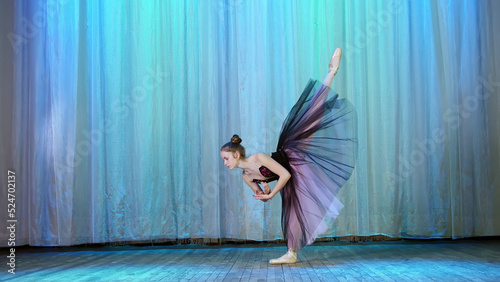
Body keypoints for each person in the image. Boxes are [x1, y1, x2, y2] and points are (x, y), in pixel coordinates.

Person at [220, 48, 357, 264]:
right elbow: (262, 193)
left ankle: (331, 71)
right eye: (224, 160)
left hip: (294, 154)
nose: (225, 163)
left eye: (226, 158)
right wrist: (264, 193)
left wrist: (272, 193)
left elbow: (283, 175)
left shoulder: (257, 158)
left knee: (312, 113)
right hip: (291, 176)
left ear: (237, 155)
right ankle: (291, 253)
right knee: (293, 213)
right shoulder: (246, 176)